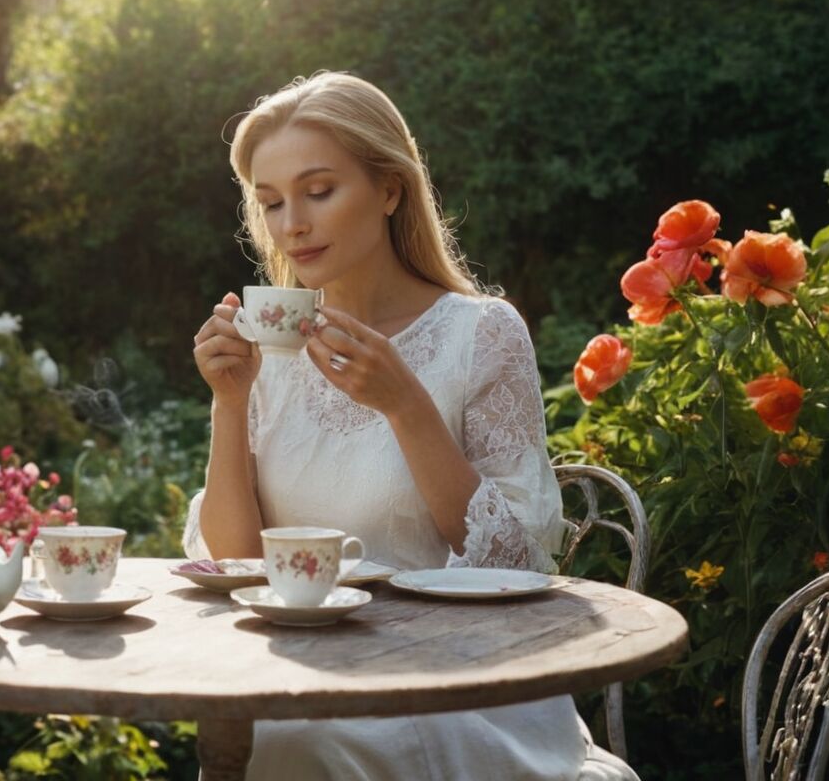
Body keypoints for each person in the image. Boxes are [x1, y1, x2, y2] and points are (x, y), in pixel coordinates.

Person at [184, 71, 637, 780]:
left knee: (296, 743)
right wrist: (230, 401)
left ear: (390, 189)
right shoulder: (271, 349)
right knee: (280, 732)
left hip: (464, 685)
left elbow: (515, 561)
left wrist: (405, 406)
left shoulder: (482, 333)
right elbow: (237, 563)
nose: (291, 224)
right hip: (304, 678)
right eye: (270, 203)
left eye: (319, 190)